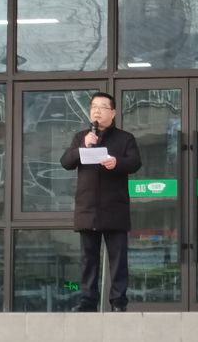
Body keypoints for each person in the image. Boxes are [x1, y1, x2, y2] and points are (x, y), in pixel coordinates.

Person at [60, 92, 142, 312]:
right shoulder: (81, 137)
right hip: (88, 208)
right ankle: (88, 301)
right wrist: (82, 147)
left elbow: (135, 163)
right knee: (88, 259)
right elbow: (65, 162)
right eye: (93, 107)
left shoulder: (125, 138)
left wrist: (117, 162)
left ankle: (118, 302)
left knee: (118, 259)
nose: (96, 111)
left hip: (115, 208)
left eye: (102, 107)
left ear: (112, 113)